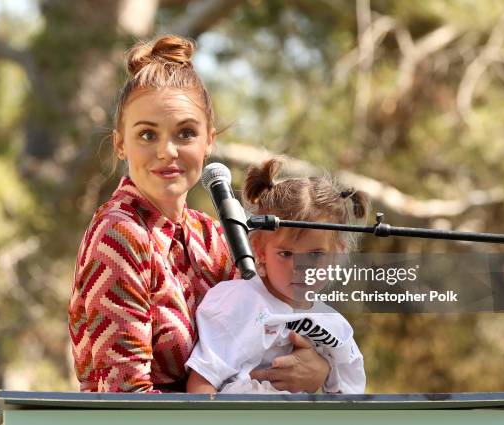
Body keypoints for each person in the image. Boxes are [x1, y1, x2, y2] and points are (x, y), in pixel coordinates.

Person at [68, 35, 333, 393]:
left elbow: (267, 332)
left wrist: (318, 368)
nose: (167, 152)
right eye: (147, 135)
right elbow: (125, 398)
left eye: (185, 133)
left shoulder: (213, 236)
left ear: (209, 140)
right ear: (120, 144)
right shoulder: (119, 234)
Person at [186, 158, 368, 394]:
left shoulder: (336, 328)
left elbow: (350, 405)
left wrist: (324, 371)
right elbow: (201, 385)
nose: (300, 268)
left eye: (315, 254)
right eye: (285, 253)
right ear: (260, 250)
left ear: (336, 254)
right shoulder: (238, 303)